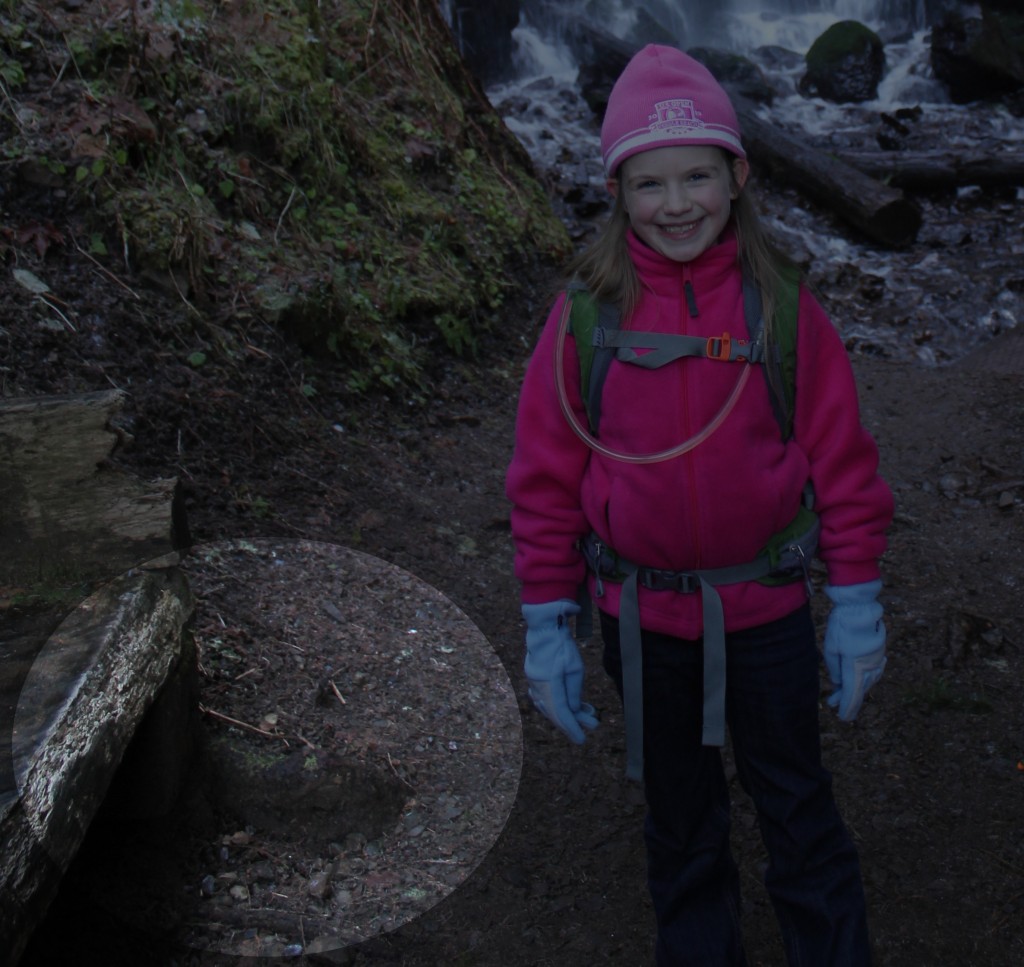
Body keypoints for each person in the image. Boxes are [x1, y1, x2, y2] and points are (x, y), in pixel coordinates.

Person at [505, 45, 893, 966]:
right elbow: (544, 475)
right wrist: (546, 619)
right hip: (639, 621)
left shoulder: (783, 307)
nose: (675, 204)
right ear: (617, 190)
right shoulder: (587, 315)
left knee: (797, 803)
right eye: (650, 183)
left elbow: (842, 462)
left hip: (766, 616)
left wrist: (859, 601)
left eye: (696, 176)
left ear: (737, 176)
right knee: (679, 817)